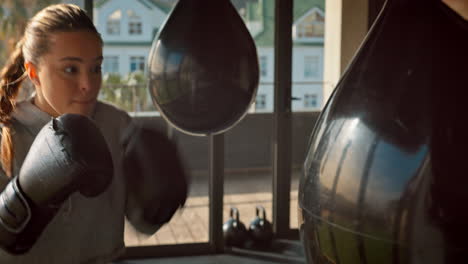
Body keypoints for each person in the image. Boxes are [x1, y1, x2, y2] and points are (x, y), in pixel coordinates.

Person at [0, 4, 187, 263]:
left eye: (96, 68)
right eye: (70, 69)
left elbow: (141, 223)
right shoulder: (6, 133)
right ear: (34, 74)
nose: (88, 84)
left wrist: (157, 205)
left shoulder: (117, 124)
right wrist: (22, 201)